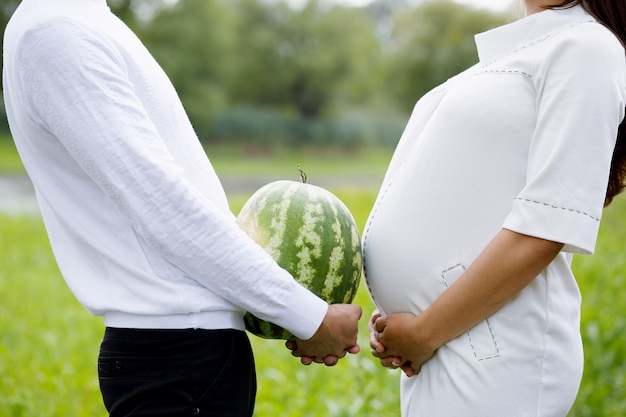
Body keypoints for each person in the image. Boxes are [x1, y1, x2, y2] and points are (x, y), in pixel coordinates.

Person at [2, 0, 361, 416]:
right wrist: (310, 316)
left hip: (188, 355)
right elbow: (162, 205)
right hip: (176, 357)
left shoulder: (80, 21)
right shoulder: (57, 31)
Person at [363, 0, 626, 416]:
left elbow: (547, 226)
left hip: (490, 347)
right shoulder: (518, 50)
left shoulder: (588, 47)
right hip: (448, 342)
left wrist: (427, 329)